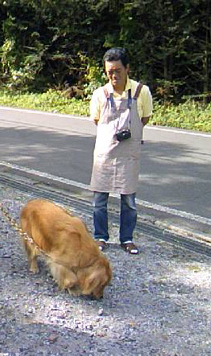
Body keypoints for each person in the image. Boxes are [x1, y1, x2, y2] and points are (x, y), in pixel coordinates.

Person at [90, 47, 153, 255]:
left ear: (127, 68)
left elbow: (144, 118)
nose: (113, 75)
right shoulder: (100, 94)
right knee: (99, 199)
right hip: (105, 153)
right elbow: (98, 120)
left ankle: (127, 239)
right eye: (109, 71)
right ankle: (100, 237)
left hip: (128, 154)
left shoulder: (141, 92)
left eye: (117, 70)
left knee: (129, 200)